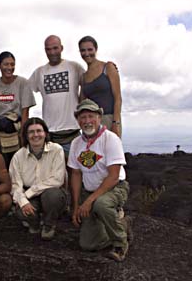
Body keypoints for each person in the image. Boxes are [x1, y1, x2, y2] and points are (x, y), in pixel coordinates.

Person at [68, 99, 130, 262]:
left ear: (99, 117)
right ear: (78, 121)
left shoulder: (110, 139)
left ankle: (120, 244)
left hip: (114, 188)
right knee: (87, 244)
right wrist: (75, 206)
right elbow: (75, 174)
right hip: (91, 192)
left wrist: (89, 201)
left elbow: (114, 176)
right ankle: (120, 224)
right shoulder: (76, 143)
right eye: (83, 118)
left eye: (91, 116)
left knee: (101, 204)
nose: (87, 121)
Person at [9, 117, 67, 241]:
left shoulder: (57, 150)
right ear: (26, 135)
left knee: (52, 196)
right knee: (20, 209)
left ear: (45, 133)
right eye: (31, 132)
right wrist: (23, 202)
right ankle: (34, 224)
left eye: (39, 131)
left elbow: (57, 180)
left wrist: (29, 193)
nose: (36, 135)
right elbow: (15, 186)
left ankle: (49, 225)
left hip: (50, 193)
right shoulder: (18, 156)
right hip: (30, 195)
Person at [29, 35, 85, 158]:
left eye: (55, 48)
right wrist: (3, 79)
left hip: (72, 133)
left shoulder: (74, 67)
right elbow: (23, 89)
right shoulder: (39, 72)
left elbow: (91, 82)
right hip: (50, 135)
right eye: (48, 49)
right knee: (53, 174)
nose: (52, 52)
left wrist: (107, 68)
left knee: (76, 172)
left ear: (61, 48)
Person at [0, 51, 36, 168]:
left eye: (12, 64)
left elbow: (25, 112)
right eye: (6, 64)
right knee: (0, 167)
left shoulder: (23, 83)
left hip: (16, 131)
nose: (9, 68)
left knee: (18, 167)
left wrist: (24, 135)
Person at [78, 36, 122, 138]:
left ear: (96, 49)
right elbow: (82, 103)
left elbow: (118, 98)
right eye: (83, 50)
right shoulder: (83, 77)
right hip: (91, 122)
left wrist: (116, 123)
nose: (87, 53)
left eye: (90, 49)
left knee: (112, 152)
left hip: (109, 118)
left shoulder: (108, 68)